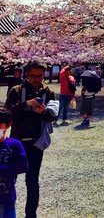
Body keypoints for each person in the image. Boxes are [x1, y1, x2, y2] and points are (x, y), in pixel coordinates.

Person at [5, 60, 57, 218]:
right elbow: (6, 113)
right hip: (16, 141)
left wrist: (43, 112)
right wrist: (24, 104)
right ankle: (7, 212)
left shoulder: (48, 92)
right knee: (8, 178)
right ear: (26, 74)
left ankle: (30, 215)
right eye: (33, 75)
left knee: (32, 181)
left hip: (36, 142)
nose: (37, 79)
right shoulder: (16, 90)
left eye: (40, 75)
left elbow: (53, 117)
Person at [0, 107, 28, 218]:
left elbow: (23, 166)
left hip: (6, 197)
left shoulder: (14, 144)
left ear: (8, 125)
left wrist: (2, 168)